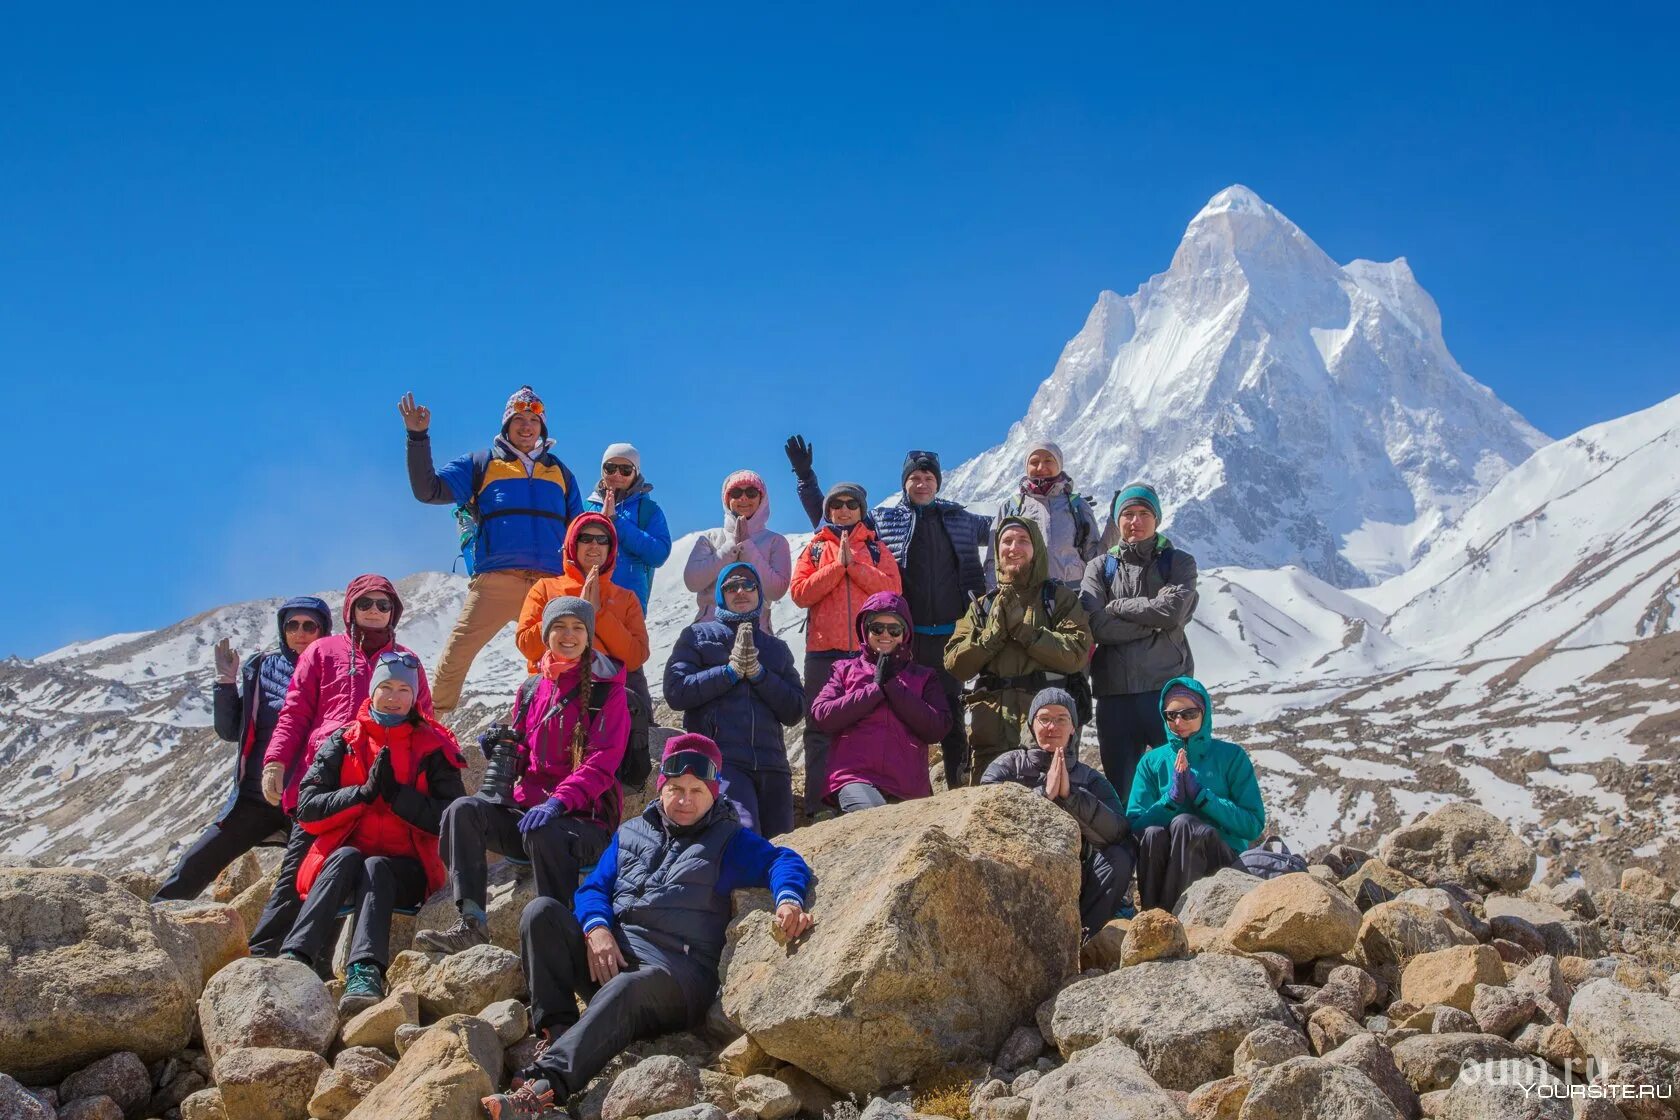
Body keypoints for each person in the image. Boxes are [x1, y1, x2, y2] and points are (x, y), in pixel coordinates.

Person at [483, 734, 812, 1119]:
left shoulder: (731, 840)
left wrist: (789, 898)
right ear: (662, 788)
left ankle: (542, 1089)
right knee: (540, 913)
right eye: (675, 789)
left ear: (713, 792)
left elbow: (783, 860)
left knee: (627, 987)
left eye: (696, 791)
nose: (685, 800)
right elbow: (593, 890)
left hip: (676, 974)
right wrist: (597, 929)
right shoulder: (630, 832)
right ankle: (558, 1032)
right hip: (614, 955)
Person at [420, 597, 629, 954]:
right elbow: (524, 752)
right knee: (463, 811)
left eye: (578, 627)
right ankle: (471, 922)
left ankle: (559, 930)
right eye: (560, 627)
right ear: (546, 634)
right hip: (528, 817)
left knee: (544, 831)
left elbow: (601, 763)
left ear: (589, 635)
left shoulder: (608, 692)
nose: (569, 635)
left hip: (584, 823)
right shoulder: (532, 689)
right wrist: (502, 749)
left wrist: (559, 801)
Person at [250, 575, 432, 958]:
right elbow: (295, 713)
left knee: (355, 872)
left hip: (385, 785)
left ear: (394, 611)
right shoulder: (322, 651)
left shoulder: (407, 661)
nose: (374, 611)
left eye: (383, 605)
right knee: (299, 873)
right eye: (365, 603)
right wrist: (275, 762)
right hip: (327, 782)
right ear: (350, 609)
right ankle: (264, 955)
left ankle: (321, 961)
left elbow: (424, 720)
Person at [278, 653, 465, 1015]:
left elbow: (452, 817)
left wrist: (398, 798)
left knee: (377, 866)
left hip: (408, 871)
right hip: (341, 866)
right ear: (372, 690)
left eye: (402, 690)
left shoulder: (434, 746)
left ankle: (365, 971)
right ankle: (295, 955)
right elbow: (308, 808)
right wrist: (361, 794)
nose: (394, 697)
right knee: (351, 857)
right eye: (386, 687)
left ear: (415, 697)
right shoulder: (344, 740)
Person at [403, 386, 584, 715]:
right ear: (506, 425)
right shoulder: (481, 464)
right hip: (497, 580)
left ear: (542, 427)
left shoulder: (561, 473)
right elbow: (427, 490)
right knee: (458, 652)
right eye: (519, 419)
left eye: (534, 419)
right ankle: (430, 726)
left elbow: (577, 531)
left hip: (549, 586)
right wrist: (418, 438)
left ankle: (562, 725)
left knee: (564, 657)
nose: (527, 426)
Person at [153, 596, 332, 904]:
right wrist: (225, 683)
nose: (299, 632)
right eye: (292, 625)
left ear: (323, 631)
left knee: (305, 879)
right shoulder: (261, 667)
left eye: (309, 625)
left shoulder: (334, 671)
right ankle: (153, 919)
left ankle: (285, 949)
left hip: (307, 798)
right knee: (199, 860)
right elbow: (230, 729)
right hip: (255, 796)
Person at [874, 450, 991, 788]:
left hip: (951, 635)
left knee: (951, 710)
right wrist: (808, 483)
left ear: (937, 483)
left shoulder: (960, 518)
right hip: (907, 638)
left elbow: (1007, 526)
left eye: (928, 478)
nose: (922, 483)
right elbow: (840, 519)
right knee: (905, 710)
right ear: (905, 483)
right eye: (915, 477)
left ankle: (957, 783)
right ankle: (908, 788)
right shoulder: (884, 519)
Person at [945, 516, 1091, 782]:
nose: (1014, 548)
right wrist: (992, 637)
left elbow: (1076, 653)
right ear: (997, 550)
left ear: (1036, 548)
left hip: (1043, 736)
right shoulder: (982, 606)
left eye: (1023, 540)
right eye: (1006, 541)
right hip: (990, 735)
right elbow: (955, 664)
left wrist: (1025, 633)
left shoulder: (1058, 599)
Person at [1079, 482, 1198, 808]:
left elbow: (1172, 611)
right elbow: (1096, 626)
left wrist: (1118, 608)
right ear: (1117, 521)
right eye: (1128, 514)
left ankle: (1179, 853)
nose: (1135, 521)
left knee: (1179, 786)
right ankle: (1128, 857)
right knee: (1122, 793)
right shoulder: (1100, 567)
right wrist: (1155, 623)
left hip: (1167, 695)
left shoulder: (1178, 563)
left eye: (1144, 513)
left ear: (1156, 518)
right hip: (1115, 698)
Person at [981, 688, 1134, 939]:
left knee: (1120, 855)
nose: (1052, 726)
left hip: (1078, 878)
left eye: (1061, 719)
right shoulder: (1007, 765)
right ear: (1031, 724)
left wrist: (1071, 797)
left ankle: (1083, 936)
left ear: (1073, 727)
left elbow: (1119, 832)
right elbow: (985, 818)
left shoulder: (1091, 779)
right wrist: (1044, 794)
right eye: (1044, 719)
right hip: (1015, 873)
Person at [663, 564, 803, 836]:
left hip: (772, 765)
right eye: (731, 586)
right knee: (743, 834)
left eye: (749, 585)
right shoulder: (697, 636)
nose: (741, 591)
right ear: (720, 595)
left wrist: (760, 675)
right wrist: (728, 673)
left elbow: (795, 710)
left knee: (784, 843)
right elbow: (676, 691)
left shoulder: (776, 649)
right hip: (721, 763)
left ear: (759, 593)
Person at [789, 483, 903, 814]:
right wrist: (836, 567)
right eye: (836, 504)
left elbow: (893, 591)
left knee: (866, 727)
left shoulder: (877, 549)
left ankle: (867, 803)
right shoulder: (813, 549)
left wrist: (853, 565)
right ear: (827, 511)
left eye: (851, 503)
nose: (844, 509)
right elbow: (799, 593)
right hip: (824, 652)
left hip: (867, 654)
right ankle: (818, 806)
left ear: (861, 509)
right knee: (820, 728)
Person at [1126, 677, 1263, 913]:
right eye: (1171, 715)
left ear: (1204, 713)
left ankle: (1175, 918)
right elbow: (1134, 827)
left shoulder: (1231, 757)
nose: (1179, 721)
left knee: (1185, 824)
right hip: (1169, 863)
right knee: (1152, 834)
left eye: (1188, 714)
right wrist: (1169, 801)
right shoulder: (1152, 762)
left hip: (1223, 863)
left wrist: (1203, 797)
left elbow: (1253, 825)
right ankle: (1152, 918)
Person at [810, 591, 950, 813]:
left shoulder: (924, 677)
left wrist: (893, 686)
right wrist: (873, 690)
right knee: (875, 816)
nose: (886, 634)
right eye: (877, 628)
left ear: (905, 634)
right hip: (854, 777)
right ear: (865, 631)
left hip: (909, 787)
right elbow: (822, 715)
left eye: (894, 629)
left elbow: (937, 728)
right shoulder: (844, 669)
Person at [516, 513, 649, 677]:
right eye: (586, 538)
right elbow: (527, 646)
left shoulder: (626, 598)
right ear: (572, 544)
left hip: (607, 691)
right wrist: (571, 610)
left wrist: (598, 614)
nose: (594, 544)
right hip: (554, 688)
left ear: (611, 548)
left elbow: (636, 657)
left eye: (602, 540)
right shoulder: (544, 588)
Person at [683, 469, 792, 626]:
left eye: (751, 492)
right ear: (727, 500)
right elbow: (692, 582)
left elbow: (776, 591)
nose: (743, 498)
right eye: (735, 493)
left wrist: (747, 546)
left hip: (756, 634)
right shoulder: (710, 538)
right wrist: (731, 546)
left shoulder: (776, 541)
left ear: (762, 499)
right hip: (710, 631)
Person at [991, 441, 1101, 588]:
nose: (1041, 467)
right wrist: (994, 597)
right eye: (1034, 462)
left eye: (1048, 460)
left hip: (1074, 595)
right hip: (1025, 596)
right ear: (1026, 467)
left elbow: (1094, 557)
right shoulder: (1011, 507)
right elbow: (994, 560)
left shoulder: (1078, 505)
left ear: (1059, 464)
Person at [584, 443, 672, 614]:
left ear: (636, 472)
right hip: (587, 603)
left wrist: (615, 522)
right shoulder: (586, 506)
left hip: (629, 607)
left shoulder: (648, 510)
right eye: (610, 468)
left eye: (625, 469)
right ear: (602, 471)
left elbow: (658, 554)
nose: (617, 474)